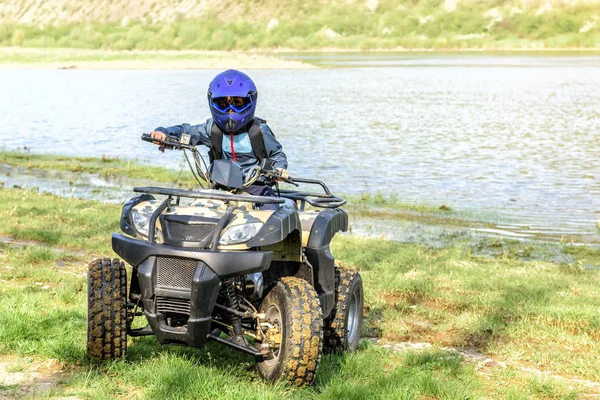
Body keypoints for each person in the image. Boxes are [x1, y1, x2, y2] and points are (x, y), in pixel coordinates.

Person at [149, 69, 289, 206]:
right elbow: (187, 131)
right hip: (220, 188)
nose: (230, 109)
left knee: (270, 217)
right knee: (196, 212)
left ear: (250, 101)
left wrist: (279, 169)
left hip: (257, 188)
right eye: (223, 102)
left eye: (238, 102)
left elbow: (277, 154)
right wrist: (164, 133)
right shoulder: (212, 128)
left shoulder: (258, 130)